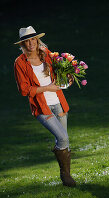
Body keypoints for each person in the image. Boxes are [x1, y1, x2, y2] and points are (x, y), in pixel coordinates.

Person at [14, 26, 76, 187]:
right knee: (62, 138)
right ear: (22, 45)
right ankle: (63, 169)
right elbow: (24, 90)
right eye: (26, 41)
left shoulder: (47, 54)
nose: (30, 44)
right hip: (42, 107)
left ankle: (66, 176)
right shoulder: (20, 63)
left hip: (59, 102)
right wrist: (47, 88)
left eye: (33, 39)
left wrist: (68, 76)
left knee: (65, 141)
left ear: (37, 40)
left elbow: (59, 71)